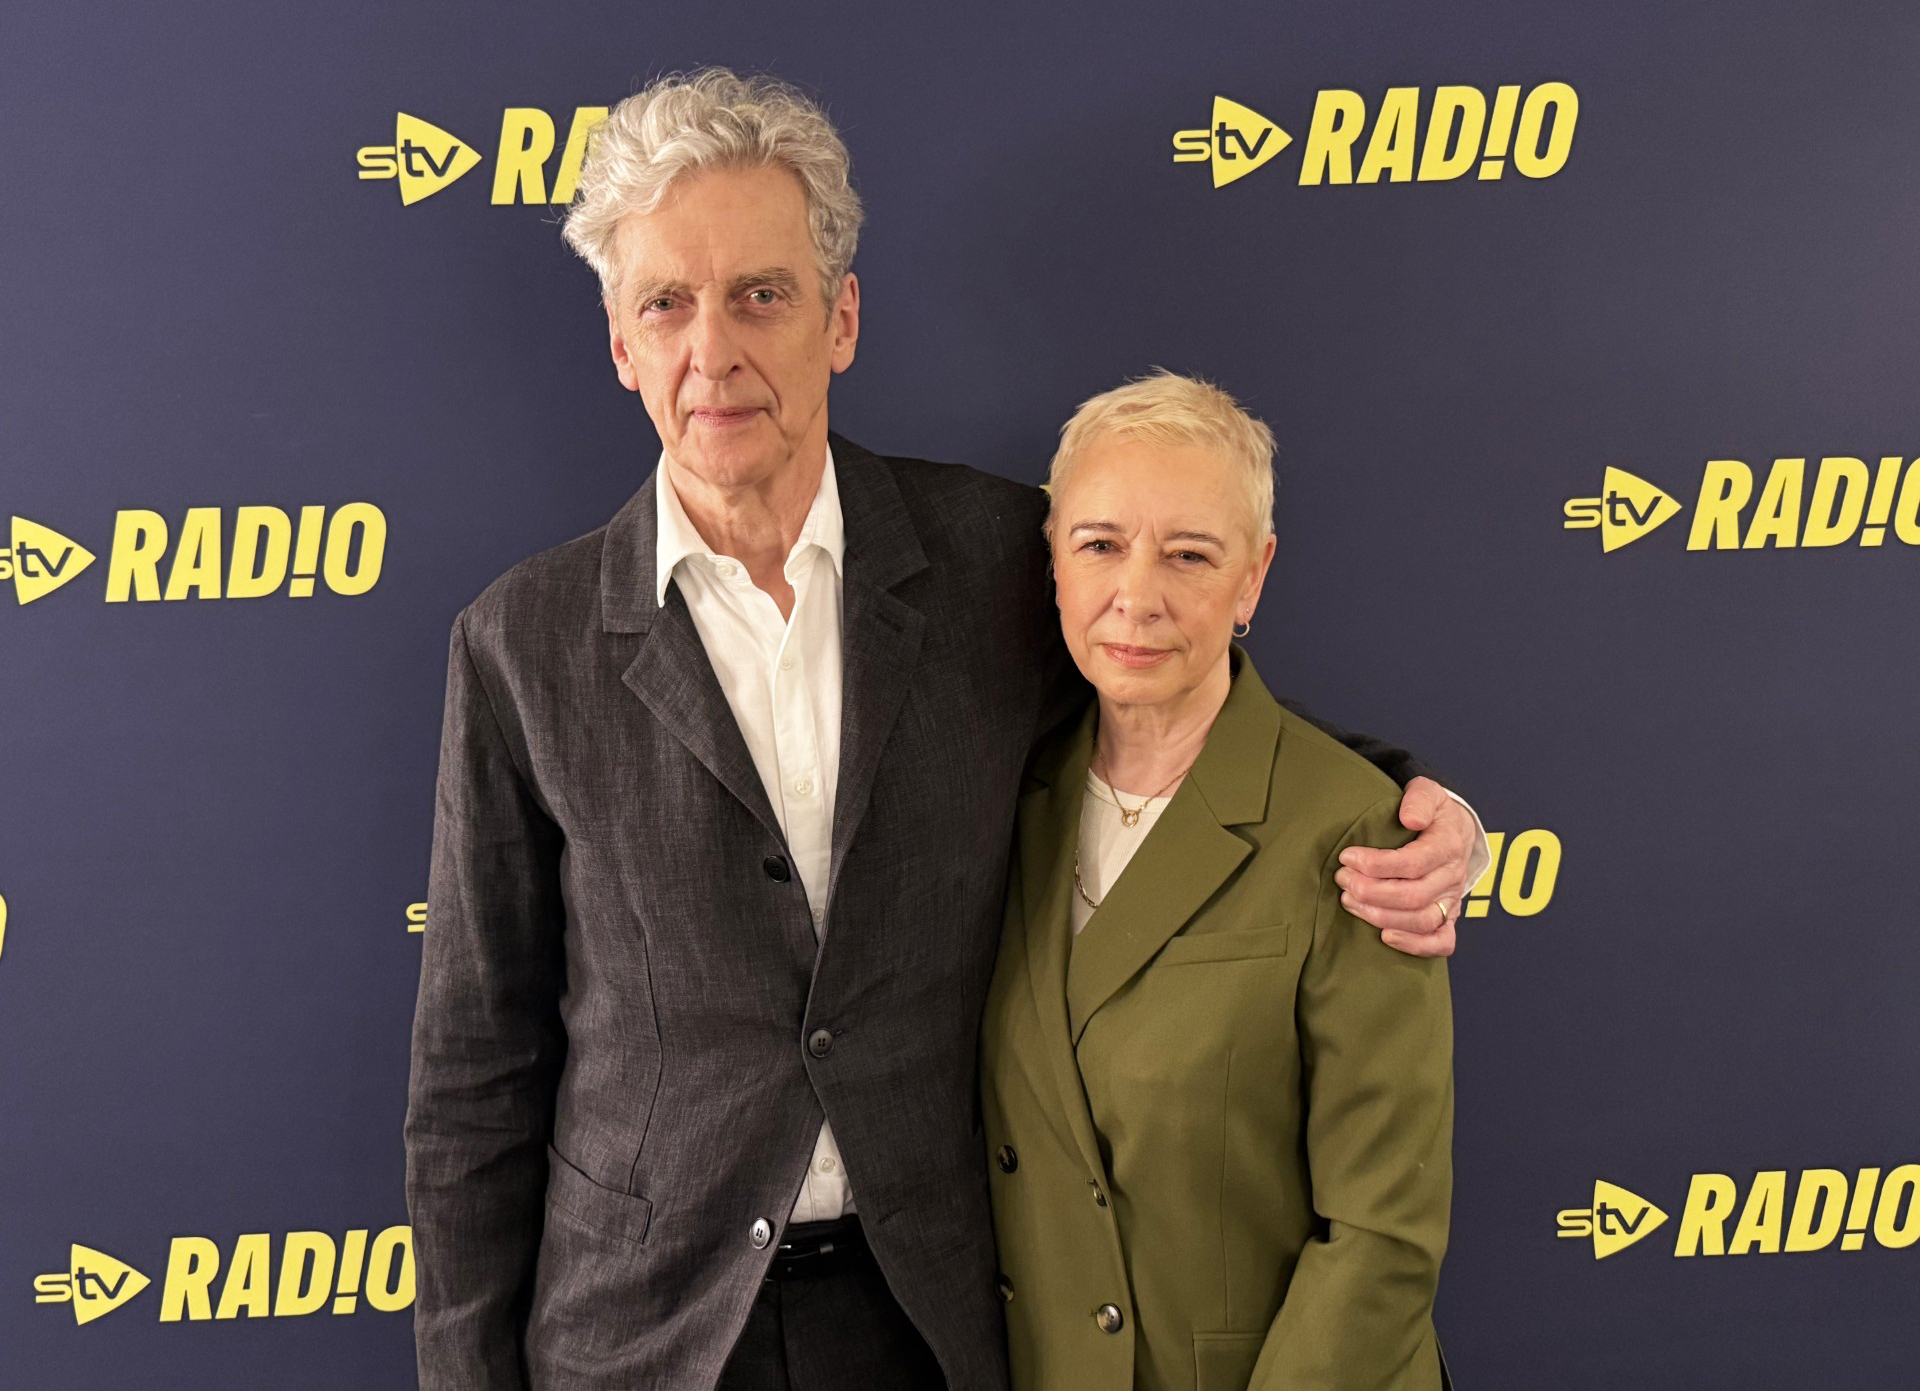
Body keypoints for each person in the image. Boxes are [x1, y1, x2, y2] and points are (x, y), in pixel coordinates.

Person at [405, 69, 1480, 1391]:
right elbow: (475, 1072)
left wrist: (1404, 808)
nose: (713, 350)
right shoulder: (521, 642)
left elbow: (1184, 705)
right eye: (666, 303)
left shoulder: (993, 559)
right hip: (643, 1333)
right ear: (621, 344)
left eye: (762, 293)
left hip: (938, 1313)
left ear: (841, 317)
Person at [982, 372, 1452, 1391]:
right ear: (1053, 560)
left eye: (1190, 555)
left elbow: (1383, 1233)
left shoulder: (1356, 828)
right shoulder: (999, 806)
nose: (1136, 596)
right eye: (1100, 544)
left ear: (1254, 579)